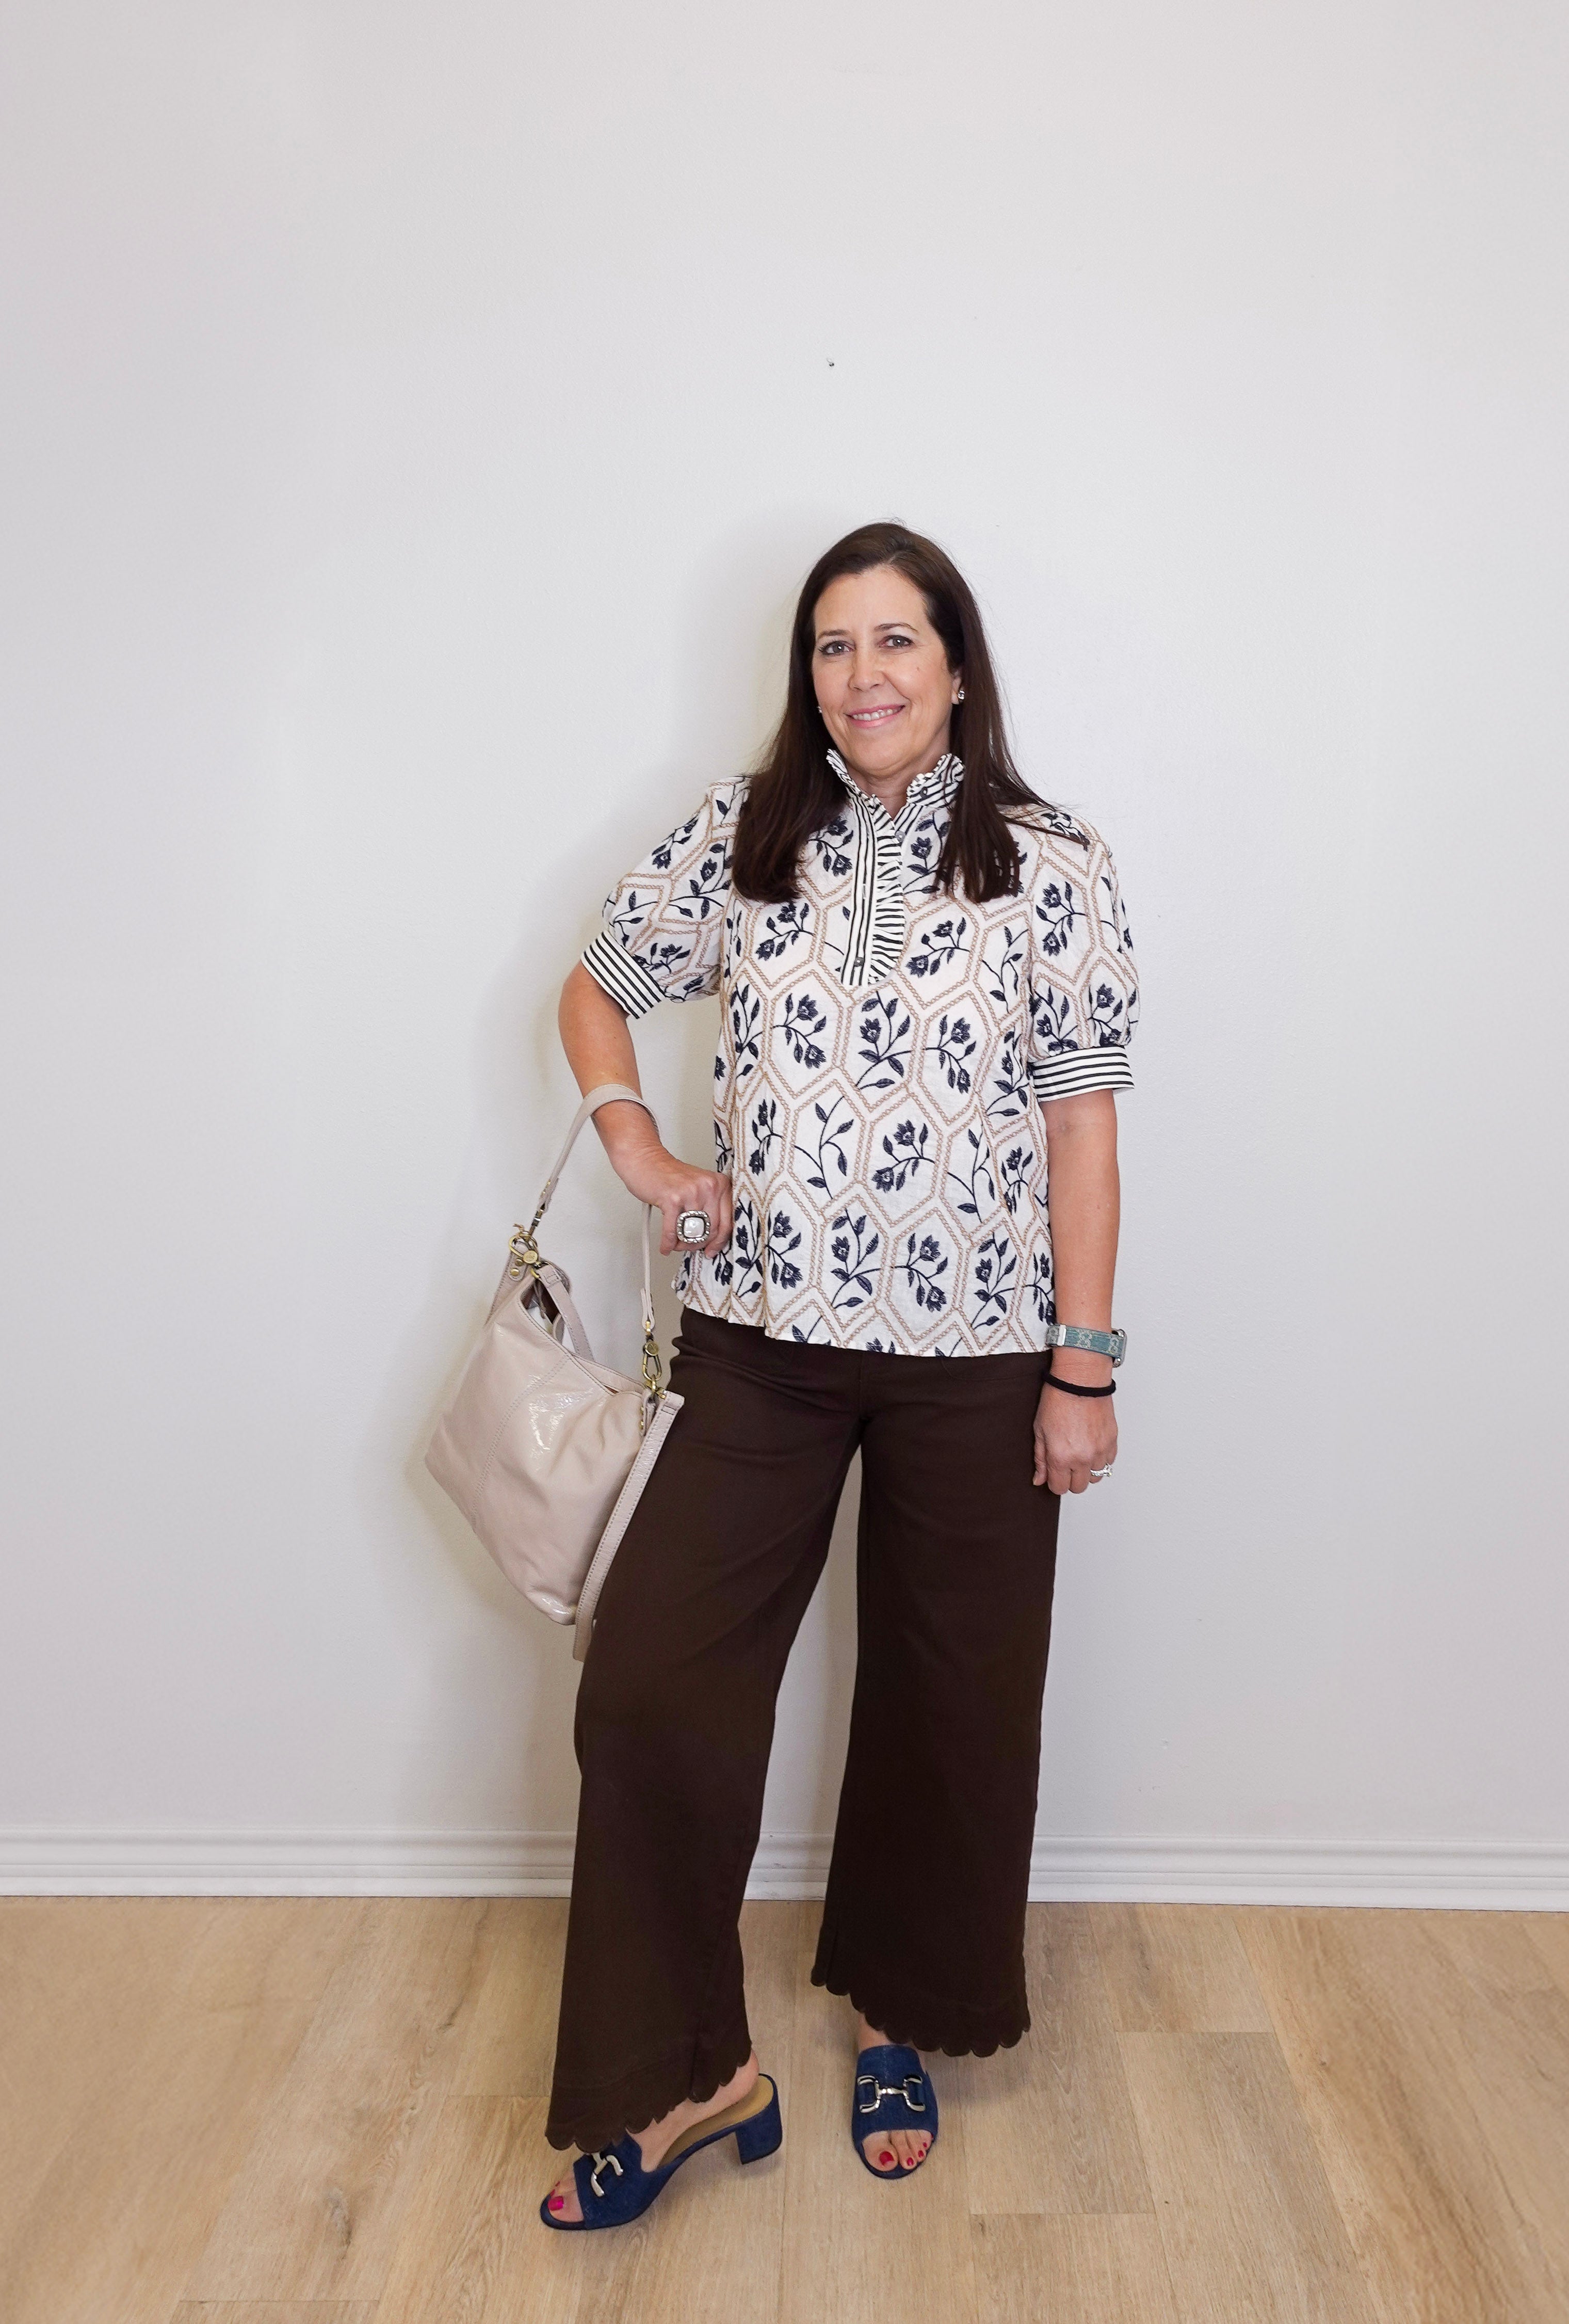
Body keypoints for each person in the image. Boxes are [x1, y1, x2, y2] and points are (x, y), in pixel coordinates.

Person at [539, 521, 1139, 2230]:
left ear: (955, 665)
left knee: (951, 1705)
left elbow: (1082, 1133)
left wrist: (1079, 1367)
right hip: (761, 1344)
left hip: (977, 1357)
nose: (861, 675)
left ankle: (900, 2016)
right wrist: (642, 1148)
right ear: (804, 674)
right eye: (830, 645)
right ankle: (684, 2075)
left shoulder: (1052, 859)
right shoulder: (745, 837)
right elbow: (594, 990)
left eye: (896, 641)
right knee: (650, 1686)